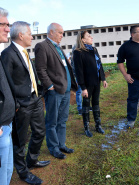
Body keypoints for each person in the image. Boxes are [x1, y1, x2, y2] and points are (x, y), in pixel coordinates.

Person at [1, 21, 50, 185]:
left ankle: (32, 161)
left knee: (40, 132)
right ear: (21, 35)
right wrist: (15, 104)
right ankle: (23, 172)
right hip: (21, 104)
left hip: (34, 99)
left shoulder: (25, 52)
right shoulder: (8, 54)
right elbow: (5, 83)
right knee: (20, 141)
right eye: (29, 33)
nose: (32, 36)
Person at [35, 23, 77, 159]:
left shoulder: (57, 47)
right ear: (51, 32)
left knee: (62, 119)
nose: (62, 35)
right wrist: (49, 86)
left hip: (65, 90)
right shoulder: (42, 46)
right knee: (52, 121)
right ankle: (53, 147)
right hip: (55, 91)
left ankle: (61, 144)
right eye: (60, 32)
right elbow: (40, 69)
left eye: (62, 33)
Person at [73, 31, 108, 137]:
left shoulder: (94, 49)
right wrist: (83, 87)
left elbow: (99, 64)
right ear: (82, 39)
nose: (91, 37)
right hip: (87, 83)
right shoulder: (78, 52)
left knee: (96, 103)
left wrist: (103, 79)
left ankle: (98, 126)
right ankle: (87, 128)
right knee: (86, 105)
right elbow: (79, 71)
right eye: (88, 36)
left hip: (96, 81)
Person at [0, 7, 15, 185]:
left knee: (7, 173)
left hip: (7, 124)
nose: (8, 29)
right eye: (3, 24)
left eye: (8, 24)